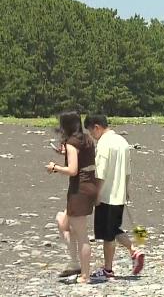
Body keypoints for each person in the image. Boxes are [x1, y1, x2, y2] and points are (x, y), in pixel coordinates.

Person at [83, 114, 145, 280]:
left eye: (91, 131)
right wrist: (126, 189)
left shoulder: (104, 143)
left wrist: (96, 194)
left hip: (107, 194)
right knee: (114, 228)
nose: (92, 136)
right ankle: (132, 251)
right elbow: (127, 170)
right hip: (119, 194)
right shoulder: (122, 141)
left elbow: (100, 173)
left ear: (97, 127)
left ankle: (109, 268)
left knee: (107, 234)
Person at [45, 111, 99, 284]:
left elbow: (73, 170)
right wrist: (65, 154)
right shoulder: (87, 139)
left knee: (82, 234)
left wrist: (55, 167)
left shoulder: (71, 143)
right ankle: (75, 263)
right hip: (90, 186)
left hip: (79, 190)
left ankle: (85, 275)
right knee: (63, 222)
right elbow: (82, 159)